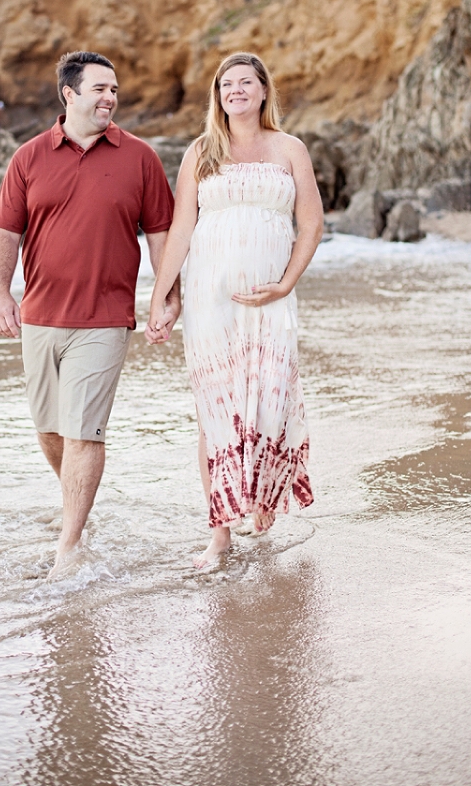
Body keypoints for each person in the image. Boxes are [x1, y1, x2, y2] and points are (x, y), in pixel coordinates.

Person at [0, 50, 179, 572]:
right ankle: (77, 503)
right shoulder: (28, 157)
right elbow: (7, 231)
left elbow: (161, 232)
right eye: (99, 89)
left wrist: (165, 294)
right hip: (41, 315)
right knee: (49, 428)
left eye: (114, 89)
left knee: (83, 431)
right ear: (69, 94)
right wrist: (1, 295)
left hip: (105, 317)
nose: (110, 98)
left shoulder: (139, 157)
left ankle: (69, 546)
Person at [146, 52, 323, 567]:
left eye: (246, 82)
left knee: (270, 398)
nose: (237, 91)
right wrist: (160, 295)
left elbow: (310, 224)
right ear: (217, 96)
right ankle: (219, 530)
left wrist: (285, 284)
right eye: (227, 84)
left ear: (264, 91)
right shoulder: (201, 151)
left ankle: (262, 495)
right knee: (215, 409)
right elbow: (181, 229)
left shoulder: (290, 149)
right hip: (210, 297)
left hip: (271, 299)